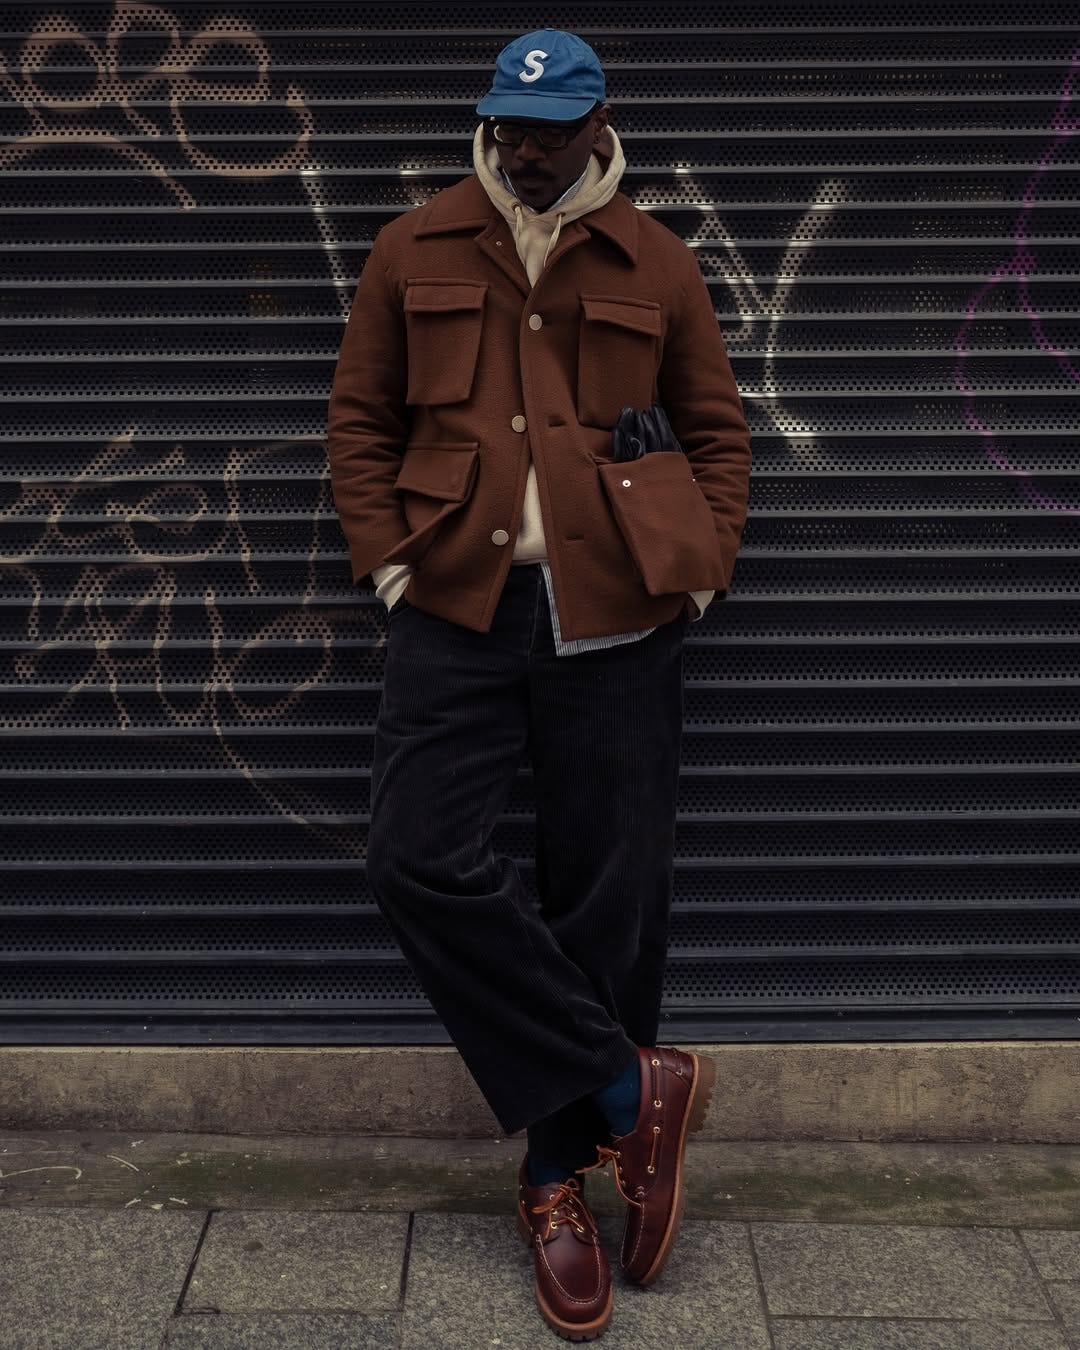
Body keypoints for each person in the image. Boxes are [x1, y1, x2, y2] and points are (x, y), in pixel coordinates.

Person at [327, 28, 751, 1342]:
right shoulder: (416, 246)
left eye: (553, 130)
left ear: (598, 122)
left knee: (609, 901)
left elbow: (720, 430)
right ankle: (632, 1086)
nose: (525, 148)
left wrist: (695, 576)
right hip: (455, 601)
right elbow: (360, 419)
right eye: (511, 126)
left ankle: (556, 1181)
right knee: (418, 856)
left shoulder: (657, 260)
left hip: (618, 611)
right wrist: (391, 571)